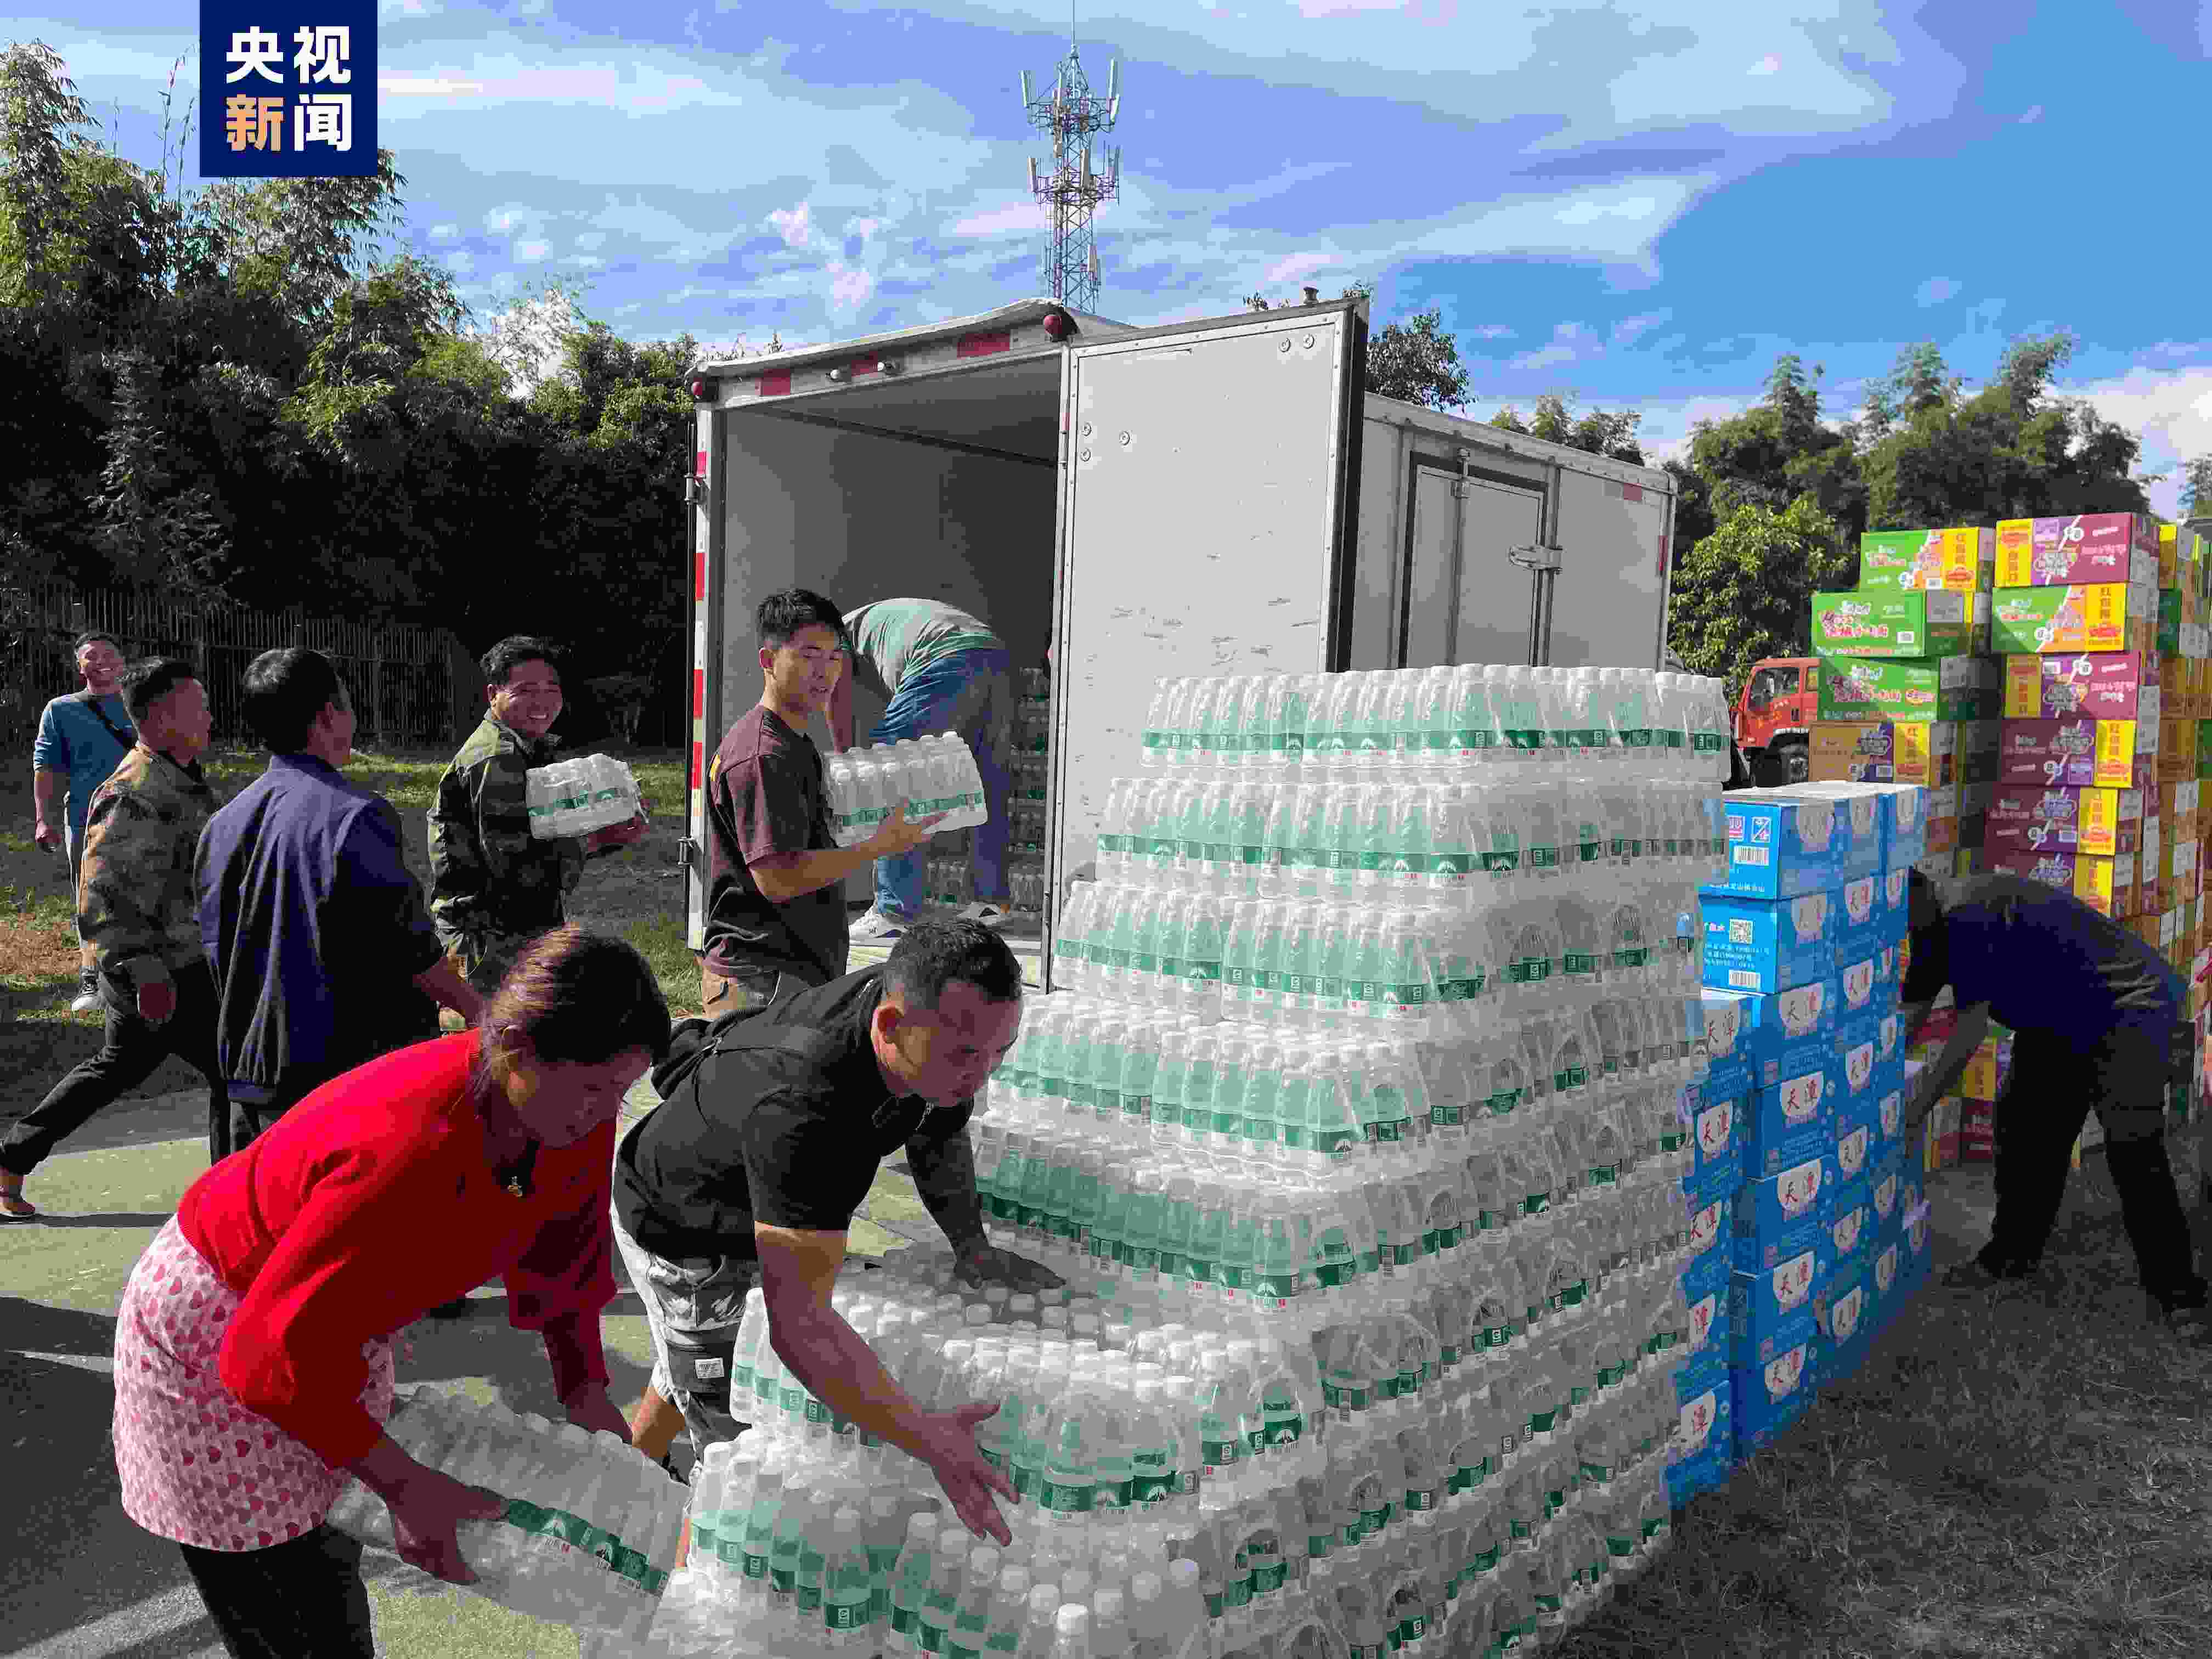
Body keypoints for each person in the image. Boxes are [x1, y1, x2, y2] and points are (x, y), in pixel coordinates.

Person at [108, 927, 670, 1658]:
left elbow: (566, 1255)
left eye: (622, 1092)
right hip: (215, 1325)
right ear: (514, 1048)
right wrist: (407, 1489)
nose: (605, 1112)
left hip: (320, 1314)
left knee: (330, 1568)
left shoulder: (565, 1115)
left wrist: (585, 1391)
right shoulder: (411, 1145)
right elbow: (264, 1358)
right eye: (594, 1088)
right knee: (280, 1595)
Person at [611, 919, 1059, 1533]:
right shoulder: (807, 1108)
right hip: (683, 1223)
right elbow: (801, 1327)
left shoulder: (929, 1017)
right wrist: (928, 1438)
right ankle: (682, 1586)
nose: (982, 1075)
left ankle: (630, 1471)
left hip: (760, 1190)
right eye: (966, 1055)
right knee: (737, 1457)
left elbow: (938, 1127)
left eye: (1000, 1052)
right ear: (889, 1027)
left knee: (696, 1362)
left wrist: (971, 1246)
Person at [196, 647, 485, 1153]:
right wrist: (480, 1011)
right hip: (342, 1081)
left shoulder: (221, 825)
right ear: (330, 714)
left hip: (249, 1074)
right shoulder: (356, 816)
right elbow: (409, 949)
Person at [1900, 868, 2210, 1334]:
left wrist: (1914, 1112)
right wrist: (1866, 1083)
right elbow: (1911, 1017)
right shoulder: (1928, 925)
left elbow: (1968, 1034)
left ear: (1918, 895)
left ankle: (2179, 1294)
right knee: (2025, 1128)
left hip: (2128, 1005)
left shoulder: (1966, 914)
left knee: (2133, 1149)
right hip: (2060, 1016)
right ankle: (2010, 1257)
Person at [3, 659, 227, 1220]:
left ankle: (11, 1159)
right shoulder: (134, 793)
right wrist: (145, 973)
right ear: (160, 717)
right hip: (162, 968)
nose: (209, 715)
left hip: (180, 959)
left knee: (117, 1068)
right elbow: (101, 894)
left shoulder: (181, 777)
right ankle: (228, 1207)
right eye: (197, 706)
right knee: (236, 1071)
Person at [698, 588, 942, 1018]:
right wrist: (878, 847)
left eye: (834, 657)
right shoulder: (764, 756)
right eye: (808, 655)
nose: (824, 671)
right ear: (768, 660)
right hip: (764, 980)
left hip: (787, 973)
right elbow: (778, 878)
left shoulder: (792, 742)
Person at [427, 635, 647, 996]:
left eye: (551, 689)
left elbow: (545, 832)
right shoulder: (497, 758)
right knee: (493, 1033)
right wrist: (596, 841)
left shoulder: (526, 748)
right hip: (489, 947)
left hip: (515, 935)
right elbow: (516, 868)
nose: (542, 701)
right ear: (493, 694)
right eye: (526, 690)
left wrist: (609, 818)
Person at [832, 597, 1017, 941]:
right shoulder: (882, 628)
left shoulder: (834, 636)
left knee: (893, 776)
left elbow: (837, 697)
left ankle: (894, 911)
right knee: (984, 779)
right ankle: (991, 901)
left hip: (942, 656)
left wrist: (844, 760)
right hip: (992, 653)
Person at [30, 630, 137, 1012]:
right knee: (90, 896)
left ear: (123, 662)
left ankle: (142, 972)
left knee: (148, 889)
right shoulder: (61, 710)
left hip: (144, 811)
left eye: (109, 653)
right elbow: (45, 767)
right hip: (85, 817)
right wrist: (43, 820)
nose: (101, 661)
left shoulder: (142, 702)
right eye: (91, 655)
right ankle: (92, 978)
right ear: (79, 666)